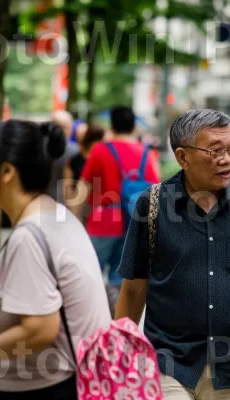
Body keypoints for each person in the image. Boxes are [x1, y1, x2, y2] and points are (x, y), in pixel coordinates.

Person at [115, 109, 230, 399]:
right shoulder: (152, 205)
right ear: (182, 157)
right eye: (215, 151)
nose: (226, 159)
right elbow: (134, 288)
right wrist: (121, 349)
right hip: (169, 362)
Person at [0, 120, 111, 399]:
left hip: (49, 390)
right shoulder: (56, 215)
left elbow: (40, 330)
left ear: (7, 171)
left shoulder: (31, 235)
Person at [75, 106, 160, 316]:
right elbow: (157, 191)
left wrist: (72, 219)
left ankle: (87, 322)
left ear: (111, 125)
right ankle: (115, 326)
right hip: (133, 223)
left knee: (87, 273)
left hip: (103, 220)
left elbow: (83, 187)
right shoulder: (146, 154)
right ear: (133, 126)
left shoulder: (101, 150)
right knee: (118, 278)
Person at [62, 124, 104, 207]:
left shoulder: (100, 159)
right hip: (83, 206)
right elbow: (68, 189)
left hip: (94, 206)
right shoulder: (73, 161)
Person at [47, 110, 79, 203]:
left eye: (64, 127)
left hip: (65, 204)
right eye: (57, 127)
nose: (59, 131)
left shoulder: (76, 152)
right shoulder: (38, 149)